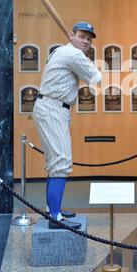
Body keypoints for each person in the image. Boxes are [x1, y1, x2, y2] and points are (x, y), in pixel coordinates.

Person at [33, 22, 102, 230]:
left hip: (51, 107)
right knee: (61, 161)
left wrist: (83, 55)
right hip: (53, 109)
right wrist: (88, 60)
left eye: (89, 39)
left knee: (55, 161)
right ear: (71, 36)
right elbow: (96, 79)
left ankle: (52, 209)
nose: (86, 41)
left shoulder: (61, 50)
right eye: (81, 36)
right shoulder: (73, 54)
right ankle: (56, 217)